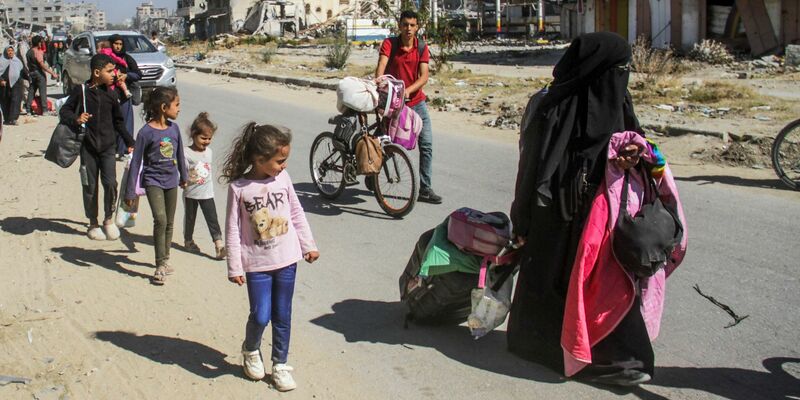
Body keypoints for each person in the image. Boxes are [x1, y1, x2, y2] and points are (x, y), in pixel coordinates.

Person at [507, 32, 682, 387]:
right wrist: (522, 219)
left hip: (601, 216)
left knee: (603, 287)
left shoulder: (618, 101)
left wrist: (634, 154)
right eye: (617, 69)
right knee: (549, 278)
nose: (622, 76)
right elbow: (530, 168)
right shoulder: (552, 106)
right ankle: (544, 347)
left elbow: (638, 142)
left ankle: (612, 359)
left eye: (625, 69)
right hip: (554, 213)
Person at [222, 123, 319, 392]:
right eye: (279, 161)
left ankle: (280, 365)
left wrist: (308, 245)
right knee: (261, 315)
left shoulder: (283, 179)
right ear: (258, 158)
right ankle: (251, 349)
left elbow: (296, 213)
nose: (284, 166)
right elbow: (232, 229)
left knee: (282, 315)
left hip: (287, 259)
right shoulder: (239, 188)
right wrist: (234, 266)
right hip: (257, 265)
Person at [59, 54, 134, 241]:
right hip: (88, 148)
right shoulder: (81, 91)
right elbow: (65, 110)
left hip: (108, 148)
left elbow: (118, 122)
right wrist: (76, 119)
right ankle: (93, 223)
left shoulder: (112, 94)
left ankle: (108, 219)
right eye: (110, 71)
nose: (114, 74)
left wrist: (130, 142)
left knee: (110, 183)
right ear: (97, 73)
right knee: (90, 186)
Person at [374, 9, 442, 204]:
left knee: (426, 144)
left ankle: (425, 188)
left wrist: (407, 91)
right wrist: (380, 81)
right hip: (394, 104)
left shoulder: (421, 47)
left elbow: (424, 76)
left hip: (417, 103)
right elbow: (381, 66)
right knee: (387, 143)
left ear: (417, 27)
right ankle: (373, 173)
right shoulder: (390, 44)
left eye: (412, 25)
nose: (408, 29)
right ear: (400, 26)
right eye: (405, 25)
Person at [125, 87, 188, 286]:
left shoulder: (174, 129)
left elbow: (180, 155)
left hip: (171, 180)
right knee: (160, 219)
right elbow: (136, 162)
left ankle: (165, 258)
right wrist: (130, 191)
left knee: (169, 222)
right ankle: (159, 264)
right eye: (176, 105)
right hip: (153, 181)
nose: (179, 108)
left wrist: (184, 176)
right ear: (163, 107)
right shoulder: (145, 133)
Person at [183, 111, 226, 259]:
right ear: (193, 135)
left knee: (212, 219)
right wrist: (182, 180)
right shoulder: (186, 153)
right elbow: (181, 170)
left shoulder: (209, 152)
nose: (206, 141)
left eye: (209, 138)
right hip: (190, 193)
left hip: (207, 193)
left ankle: (219, 245)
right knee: (190, 218)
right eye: (203, 138)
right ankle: (188, 241)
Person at [107, 34, 142, 159]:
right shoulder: (106, 57)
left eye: (120, 44)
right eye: (116, 43)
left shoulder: (127, 58)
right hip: (108, 95)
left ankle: (122, 150)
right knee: (110, 123)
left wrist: (127, 76)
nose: (118, 46)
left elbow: (138, 74)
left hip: (123, 97)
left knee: (125, 123)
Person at [26, 35, 58, 116]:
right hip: (39, 73)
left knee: (31, 91)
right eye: (41, 42)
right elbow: (42, 65)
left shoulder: (29, 51)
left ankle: (28, 109)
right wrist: (52, 73)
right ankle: (45, 110)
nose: (42, 43)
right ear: (38, 43)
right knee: (42, 91)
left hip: (32, 73)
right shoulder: (38, 51)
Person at [0, 45, 29, 125]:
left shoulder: (17, 61)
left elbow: (22, 71)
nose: (10, 52)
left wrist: (29, 78)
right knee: (5, 101)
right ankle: (6, 118)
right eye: (9, 51)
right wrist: (1, 80)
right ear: (5, 52)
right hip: (4, 85)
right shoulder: (1, 61)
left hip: (17, 84)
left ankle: (13, 119)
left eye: (12, 51)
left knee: (16, 100)